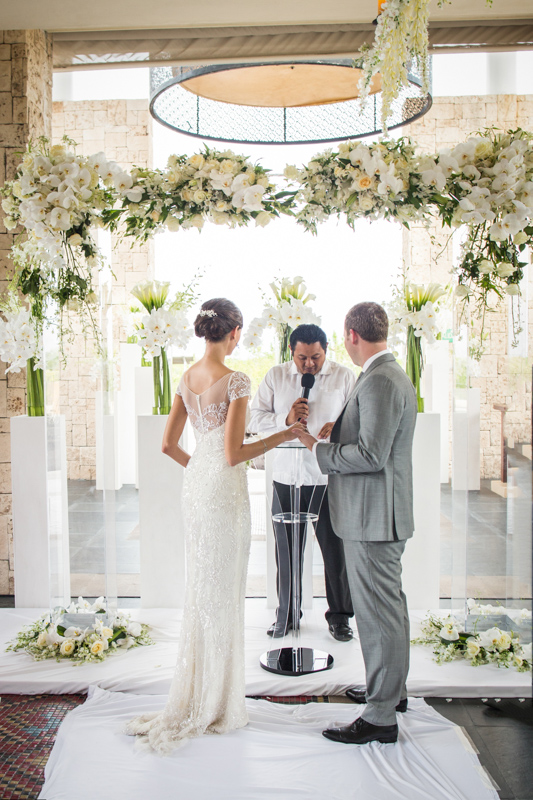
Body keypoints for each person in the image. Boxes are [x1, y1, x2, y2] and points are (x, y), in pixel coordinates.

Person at [125, 298, 302, 755]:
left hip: (198, 488)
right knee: (223, 592)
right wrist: (284, 435)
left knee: (204, 589)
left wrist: (198, 471)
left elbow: (168, 445)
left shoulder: (187, 378)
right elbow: (234, 454)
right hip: (223, 492)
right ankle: (218, 703)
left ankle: (201, 692)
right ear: (235, 332)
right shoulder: (237, 380)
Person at [295, 302, 417, 746]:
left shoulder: (381, 379)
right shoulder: (383, 374)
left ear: (350, 335)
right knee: (388, 611)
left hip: (372, 520)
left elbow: (372, 456)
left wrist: (316, 450)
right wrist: (338, 432)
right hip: (375, 515)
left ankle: (381, 716)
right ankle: (390, 693)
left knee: (379, 615)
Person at [249, 323, 356, 641]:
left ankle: (339, 617)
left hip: (328, 479)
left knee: (335, 554)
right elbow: (254, 417)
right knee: (287, 552)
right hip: (286, 477)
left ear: (326, 349)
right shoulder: (276, 376)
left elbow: (358, 419)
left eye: (316, 357)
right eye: (302, 358)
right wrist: (284, 419)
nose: (309, 364)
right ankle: (288, 615)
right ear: (291, 353)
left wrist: (337, 426)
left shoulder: (344, 377)